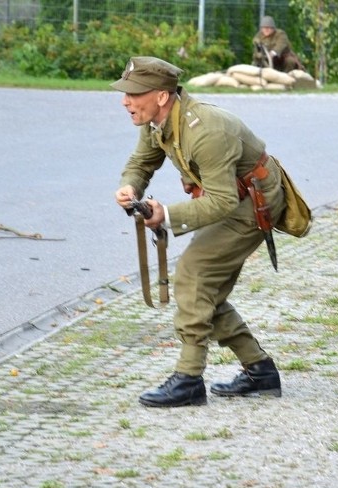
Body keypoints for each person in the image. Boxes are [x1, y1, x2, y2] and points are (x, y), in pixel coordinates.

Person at [111, 56, 287, 407]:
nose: (125, 101)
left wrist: (167, 215)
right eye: (125, 92)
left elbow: (222, 202)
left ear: (162, 96)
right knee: (207, 290)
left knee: (192, 275)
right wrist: (131, 188)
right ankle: (260, 370)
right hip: (230, 197)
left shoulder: (205, 130)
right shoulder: (155, 121)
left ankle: (189, 379)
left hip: (253, 203)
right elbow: (141, 163)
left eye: (134, 93)